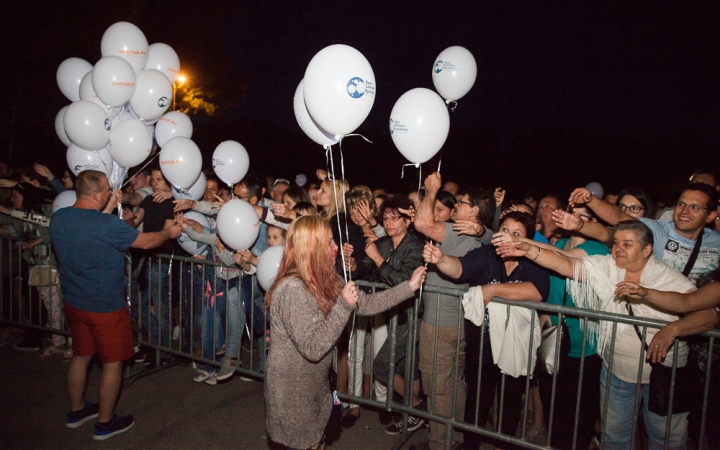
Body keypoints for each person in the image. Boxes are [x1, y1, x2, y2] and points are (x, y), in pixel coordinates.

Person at [495, 220, 718, 449]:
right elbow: (566, 264)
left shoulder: (667, 277)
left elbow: (709, 315)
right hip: (616, 373)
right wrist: (530, 250)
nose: (618, 248)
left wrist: (673, 329)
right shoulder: (606, 267)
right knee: (614, 438)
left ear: (646, 250)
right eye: (616, 242)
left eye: (627, 244)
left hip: (662, 376)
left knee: (665, 440)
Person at [264, 215, 427, 449]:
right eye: (328, 243)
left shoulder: (327, 278)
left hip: (315, 387)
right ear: (311, 249)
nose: (335, 248)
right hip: (292, 392)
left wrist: (408, 287)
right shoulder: (293, 289)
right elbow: (313, 347)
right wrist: (342, 305)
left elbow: (366, 304)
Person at [49, 170, 181, 441]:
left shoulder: (59, 218)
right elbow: (146, 242)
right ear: (96, 194)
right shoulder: (107, 226)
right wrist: (169, 231)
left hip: (74, 302)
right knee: (112, 364)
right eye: (108, 190)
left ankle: (76, 412)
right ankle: (105, 423)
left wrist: (108, 207)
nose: (112, 193)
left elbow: (90, 225)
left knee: (81, 356)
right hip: (106, 306)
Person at [424, 211, 551, 450]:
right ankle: (471, 444)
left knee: (510, 402)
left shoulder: (531, 261)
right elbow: (460, 268)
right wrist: (441, 260)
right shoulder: (487, 255)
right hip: (482, 344)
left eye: (516, 234)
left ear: (527, 241)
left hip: (514, 347)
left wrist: (492, 291)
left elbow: (538, 291)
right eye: (504, 230)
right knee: (477, 401)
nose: (507, 236)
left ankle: (504, 445)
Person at [494, 205, 610, 449]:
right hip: (553, 334)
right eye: (570, 212)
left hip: (583, 338)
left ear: (592, 221)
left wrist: (523, 244)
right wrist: (545, 310)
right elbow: (547, 266)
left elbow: (563, 262)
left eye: (580, 215)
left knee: (579, 407)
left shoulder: (597, 248)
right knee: (553, 401)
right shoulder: (558, 244)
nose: (572, 218)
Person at [411, 172, 495, 450]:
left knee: (437, 387)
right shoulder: (480, 237)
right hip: (459, 322)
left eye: (461, 202)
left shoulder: (457, 231)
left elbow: (422, 222)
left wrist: (430, 190)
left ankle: (439, 444)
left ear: (474, 211)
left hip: (440, 323)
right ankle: (455, 438)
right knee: (454, 383)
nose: (456, 205)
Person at [567, 182, 720, 286]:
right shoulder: (659, 231)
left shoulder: (716, 242)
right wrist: (590, 199)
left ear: (711, 216)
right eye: (681, 204)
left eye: (694, 207)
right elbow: (619, 218)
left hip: (701, 325)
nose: (684, 211)